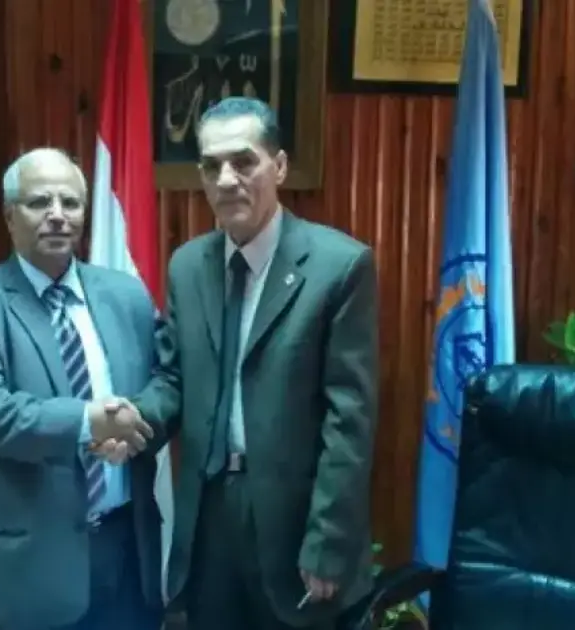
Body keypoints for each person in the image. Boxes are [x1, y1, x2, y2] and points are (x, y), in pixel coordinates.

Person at [109, 97, 379, 629]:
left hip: (295, 524)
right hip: (208, 519)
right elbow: (174, 378)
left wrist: (328, 541)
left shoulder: (340, 267)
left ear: (279, 166)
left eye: (243, 161)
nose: (227, 179)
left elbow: (349, 421)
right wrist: (135, 419)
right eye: (212, 166)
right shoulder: (188, 265)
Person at [0, 147, 164, 630]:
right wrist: (91, 421)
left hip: (125, 558)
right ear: (9, 216)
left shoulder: (127, 296)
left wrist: (136, 424)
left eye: (70, 202)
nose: (57, 215)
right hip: (29, 571)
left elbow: (162, 385)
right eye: (40, 202)